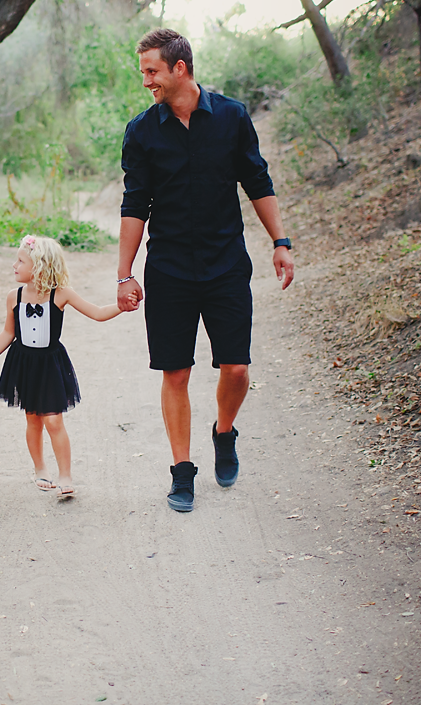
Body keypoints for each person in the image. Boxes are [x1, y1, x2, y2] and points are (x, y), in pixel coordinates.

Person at [117, 29, 295, 513]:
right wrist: (124, 273)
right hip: (170, 269)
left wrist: (280, 242)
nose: (147, 81)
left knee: (236, 366)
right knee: (175, 372)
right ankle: (182, 472)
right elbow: (135, 204)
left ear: (180, 68)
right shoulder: (142, 131)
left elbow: (258, 180)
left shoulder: (233, 117)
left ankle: (224, 431)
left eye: (152, 71)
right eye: (143, 72)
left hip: (225, 264)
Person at [0, 235, 124, 499]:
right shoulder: (13, 297)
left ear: (39, 266)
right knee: (33, 420)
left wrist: (122, 307)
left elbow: (97, 312)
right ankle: (40, 469)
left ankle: (65, 475)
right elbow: (7, 333)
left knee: (54, 420)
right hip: (24, 364)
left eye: (20, 261)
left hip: (50, 365)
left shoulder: (61, 294)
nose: (14, 265)